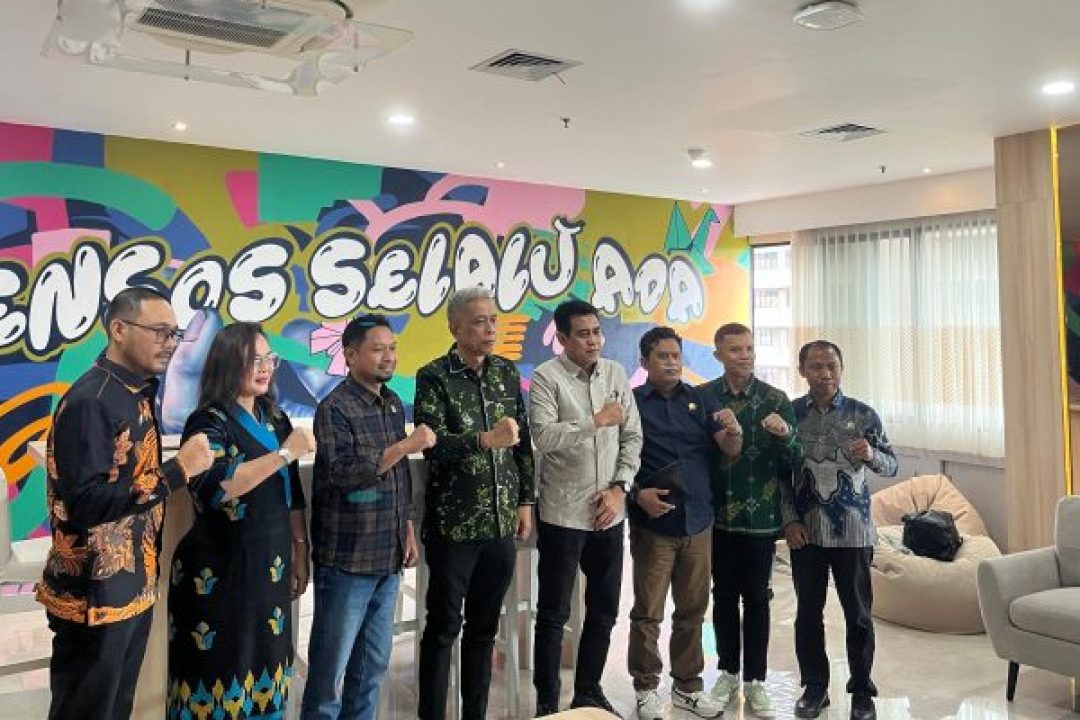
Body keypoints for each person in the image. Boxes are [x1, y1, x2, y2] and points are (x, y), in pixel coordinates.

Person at [36, 287, 214, 720]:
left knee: (116, 708)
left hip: (130, 585)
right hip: (92, 597)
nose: (170, 344)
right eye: (159, 332)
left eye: (175, 334)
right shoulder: (92, 401)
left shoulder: (131, 390)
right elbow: (86, 504)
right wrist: (178, 471)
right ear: (118, 329)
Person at [167, 322, 316, 720]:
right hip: (220, 572)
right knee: (216, 672)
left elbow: (292, 495)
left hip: (270, 568)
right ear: (228, 363)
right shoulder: (207, 421)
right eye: (254, 360)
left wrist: (300, 551)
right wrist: (283, 454)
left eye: (269, 358)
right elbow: (217, 487)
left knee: (267, 668)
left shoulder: (275, 417)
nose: (265, 368)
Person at [301, 315, 436, 720]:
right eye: (378, 349)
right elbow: (344, 474)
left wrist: (407, 527)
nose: (388, 357)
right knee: (330, 672)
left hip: (388, 554)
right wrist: (405, 445)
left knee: (371, 668)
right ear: (350, 355)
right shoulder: (334, 408)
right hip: (347, 559)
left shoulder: (392, 403)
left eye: (392, 348)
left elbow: (399, 479)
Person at [413, 286, 535, 720]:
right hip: (454, 526)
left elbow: (522, 444)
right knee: (443, 628)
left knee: (484, 630)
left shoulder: (506, 372)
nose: (490, 329)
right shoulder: (433, 376)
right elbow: (431, 445)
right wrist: (484, 440)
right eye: (479, 321)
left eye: (493, 320)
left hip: (501, 524)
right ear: (455, 328)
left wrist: (525, 500)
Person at [529, 300, 642, 716]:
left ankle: (588, 690)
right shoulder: (547, 377)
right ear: (562, 338)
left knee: (604, 609)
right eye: (583, 333)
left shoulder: (615, 373)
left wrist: (620, 488)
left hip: (609, 513)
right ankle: (547, 701)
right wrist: (596, 420)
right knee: (553, 613)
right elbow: (544, 436)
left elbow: (632, 437)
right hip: (563, 513)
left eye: (596, 331)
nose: (593, 340)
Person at [629, 326, 742, 720]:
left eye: (676, 356)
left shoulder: (701, 399)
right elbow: (614, 460)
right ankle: (646, 688)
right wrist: (636, 494)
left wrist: (734, 430)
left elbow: (730, 448)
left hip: (698, 521)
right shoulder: (632, 403)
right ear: (644, 362)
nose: (671, 363)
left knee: (692, 609)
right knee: (648, 612)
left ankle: (687, 687)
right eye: (662, 356)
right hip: (654, 524)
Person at [783, 341, 897, 720]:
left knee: (859, 614)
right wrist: (789, 521)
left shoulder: (863, 414)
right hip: (807, 532)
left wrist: (872, 455)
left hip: (854, 532)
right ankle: (815, 687)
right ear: (803, 370)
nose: (825, 374)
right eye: (816, 366)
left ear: (841, 368)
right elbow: (780, 476)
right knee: (808, 613)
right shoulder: (791, 415)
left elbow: (891, 466)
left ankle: (862, 690)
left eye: (831, 366)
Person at [699, 323, 801, 718]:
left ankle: (756, 681)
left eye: (749, 348)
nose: (745, 355)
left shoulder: (775, 399)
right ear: (718, 355)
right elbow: (696, 452)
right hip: (717, 516)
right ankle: (727, 673)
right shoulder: (705, 397)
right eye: (735, 349)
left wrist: (785, 434)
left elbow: (797, 457)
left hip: (761, 519)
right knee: (723, 597)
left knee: (757, 599)